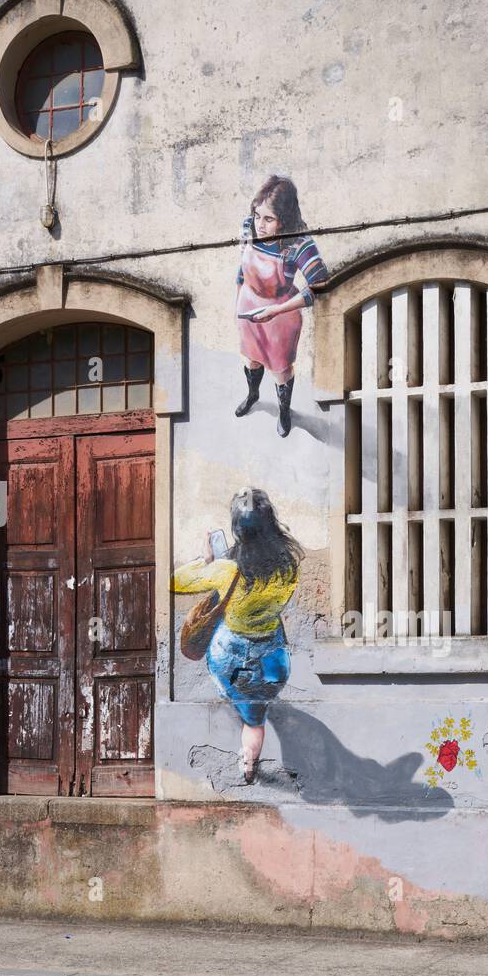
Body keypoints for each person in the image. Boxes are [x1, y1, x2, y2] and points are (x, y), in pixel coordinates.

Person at [172, 489, 303, 782]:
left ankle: (233, 699)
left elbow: (175, 582)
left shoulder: (227, 569)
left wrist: (206, 559)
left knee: (233, 678)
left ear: (237, 529)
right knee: (255, 717)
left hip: (230, 658)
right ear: (271, 522)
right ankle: (248, 758)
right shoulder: (289, 565)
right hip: (273, 659)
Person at [234, 176, 327, 437]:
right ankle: (253, 395)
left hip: (281, 313)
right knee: (251, 359)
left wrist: (275, 311)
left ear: (283, 220)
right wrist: (237, 300)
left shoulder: (299, 244)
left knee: (280, 370)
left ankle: (284, 410)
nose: (259, 225)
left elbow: (318, 286)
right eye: (257, 216)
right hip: (248, 305)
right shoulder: (248, 227)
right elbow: (241, 269)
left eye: (268, 219)